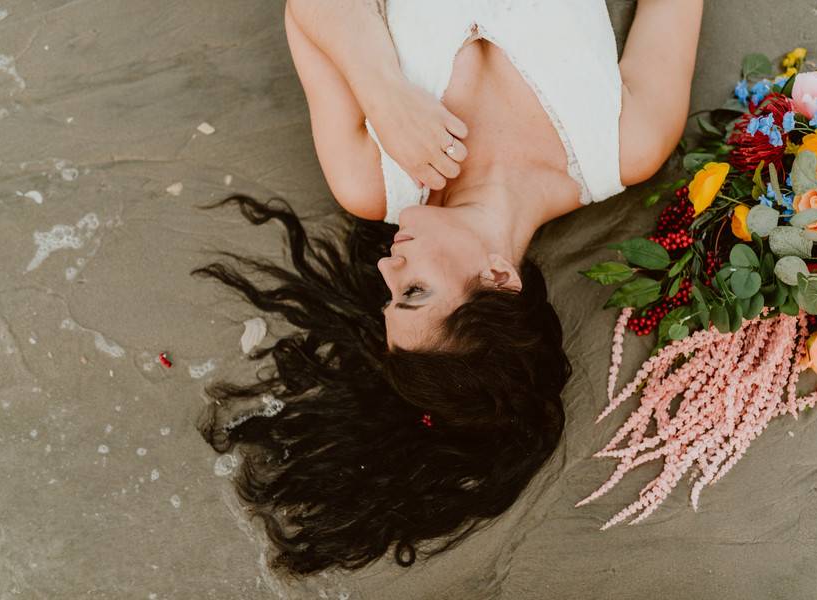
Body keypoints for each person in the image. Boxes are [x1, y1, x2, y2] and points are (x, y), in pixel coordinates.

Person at [192, 0, 703, 577]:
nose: (386, 270)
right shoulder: (627, 143)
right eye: (413, 292)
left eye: (388, 296)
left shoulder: (370, 178)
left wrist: (384, 93)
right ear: (498, 280)